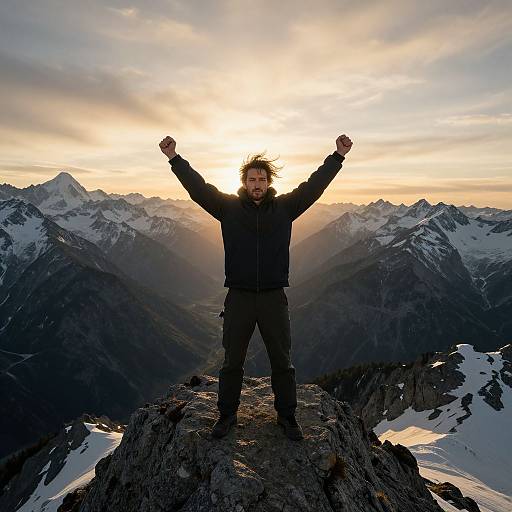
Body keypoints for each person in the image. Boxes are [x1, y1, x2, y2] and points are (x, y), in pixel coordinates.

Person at [159, 134, 353, 440]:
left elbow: (315, 186)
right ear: (244, 182)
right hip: (239, 297)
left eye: (262, 178)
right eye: (252, 179)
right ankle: (226, 416)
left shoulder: (286, 208)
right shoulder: (227, 208)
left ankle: (287, 418)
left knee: (282, 362)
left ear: (269, 181)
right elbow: (197, 188)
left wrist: (337, 156)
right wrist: (175, 158)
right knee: (232, 361)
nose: (257, 184)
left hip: (274, 297)